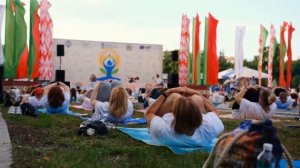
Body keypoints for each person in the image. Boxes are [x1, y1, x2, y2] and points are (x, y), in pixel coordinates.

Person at [145, 86, 224, 147]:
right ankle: (194, 99)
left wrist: (166, 94)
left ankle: (175, 98)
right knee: (197, 99)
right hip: (197, 127)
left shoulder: (162, 129)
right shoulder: (208, 129)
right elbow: (215, 111)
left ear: (174, 115)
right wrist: (197, 93)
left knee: (175, 97)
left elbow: (149, 113)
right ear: (199, 115)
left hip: (168, 128)